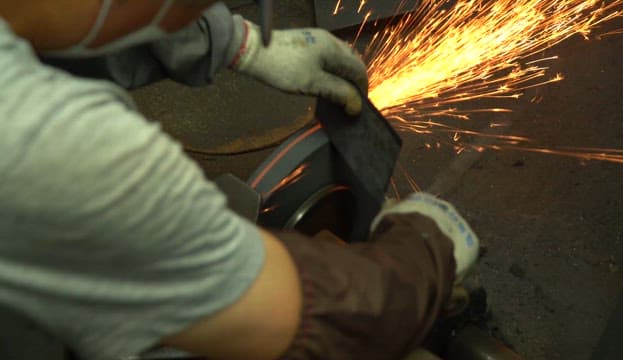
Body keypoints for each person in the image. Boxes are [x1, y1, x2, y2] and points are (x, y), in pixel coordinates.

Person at [0, 1, 479, 359]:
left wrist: (236, 44)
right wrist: (426, 247)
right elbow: (316, 317)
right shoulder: (56, 145)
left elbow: (77, 23)